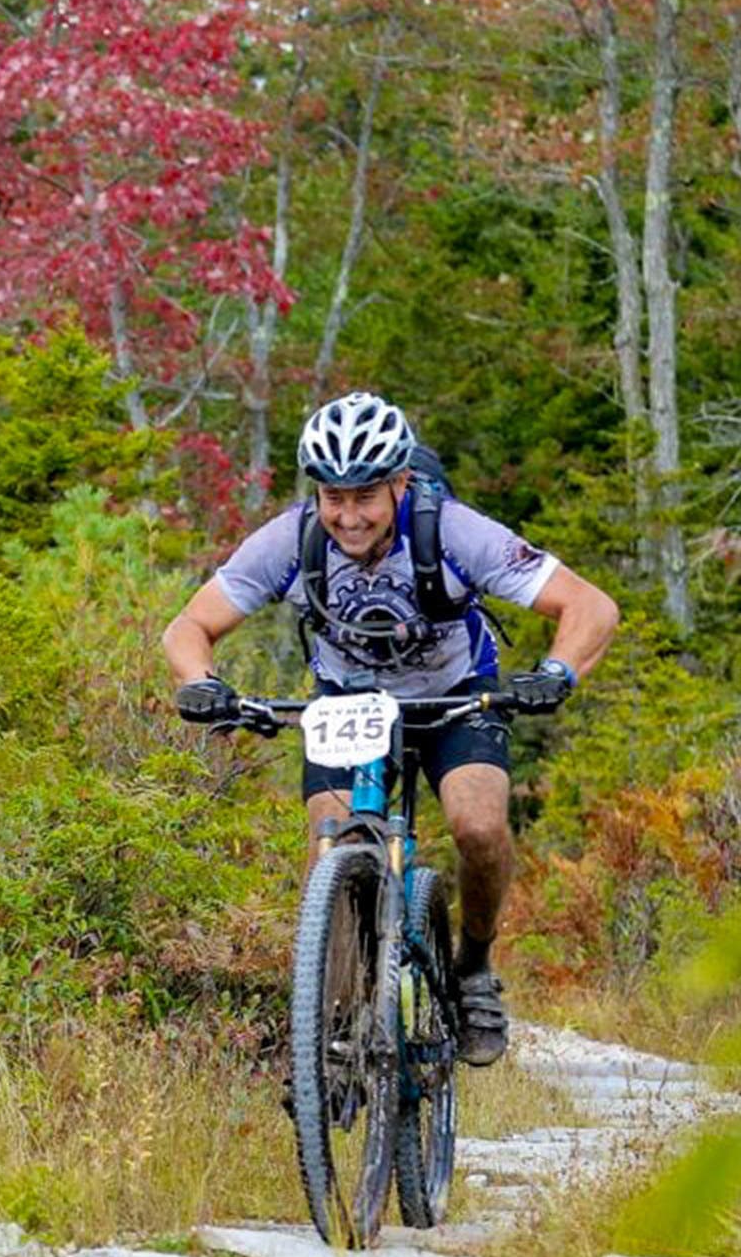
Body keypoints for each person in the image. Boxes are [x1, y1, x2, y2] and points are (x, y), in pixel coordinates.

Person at [159, 392, 619, 1066]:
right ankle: (338, 1016)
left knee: (479, 827)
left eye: (365, 497)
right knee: (331, 848)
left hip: (455, 696)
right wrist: (201, 683)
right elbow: (188, 627)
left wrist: (557, 671)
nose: (348, 517)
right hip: (347, 703)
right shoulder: (293, 539)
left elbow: (589, 605)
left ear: (401, 483)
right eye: (333, 498)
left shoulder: (454, 532)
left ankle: (474, 969)